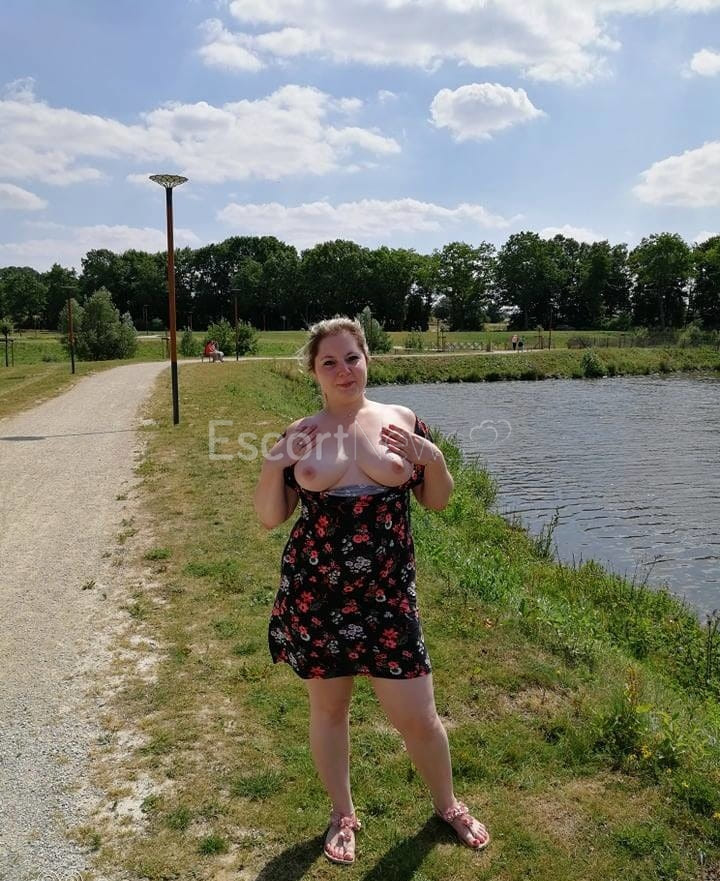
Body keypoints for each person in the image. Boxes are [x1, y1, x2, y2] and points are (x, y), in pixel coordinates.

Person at [253, 317, 490, 865]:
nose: (343, 370)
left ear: (368, 360)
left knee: (419, 716)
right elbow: (269, 517)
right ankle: (342, 814)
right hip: (317, 593)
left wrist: (434, 459)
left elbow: (437, 501)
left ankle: (448, 805)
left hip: (389, 594)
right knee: (329, 711)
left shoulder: (402, 419)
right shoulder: (301, 433)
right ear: (313, 371)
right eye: (329, 362)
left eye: (352, 358)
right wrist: (274, 462)